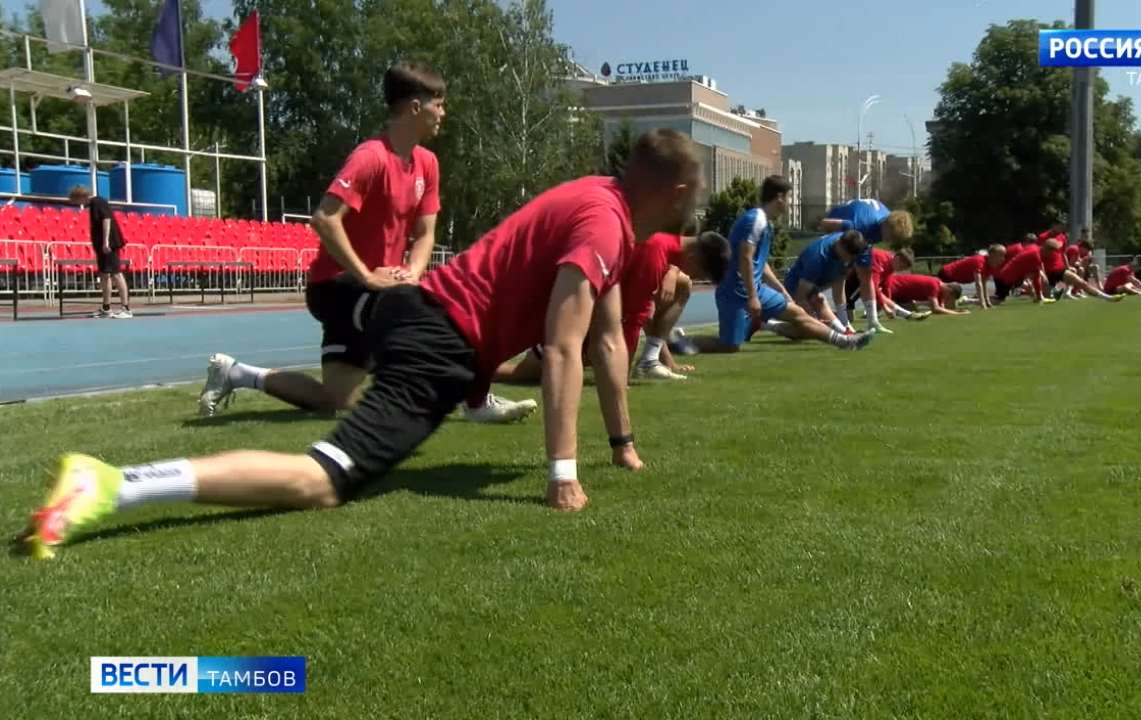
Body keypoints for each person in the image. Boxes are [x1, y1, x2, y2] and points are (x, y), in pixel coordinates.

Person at [18, 128, 705, 559]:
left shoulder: (600, 203)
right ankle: (112, 483)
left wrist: (622, 444)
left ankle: (224, 399)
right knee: (320, 481)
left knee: (340, 398)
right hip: (437, 340)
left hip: (422, 317)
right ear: (673, 191)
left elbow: (605, 340)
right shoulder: (605, 226)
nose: (694, 208)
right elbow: (564, 349)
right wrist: (563, 475)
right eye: (694, 195)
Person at [195, 63, 534, 424]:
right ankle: (475, 400)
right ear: (415, 108)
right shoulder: (371, 157)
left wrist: (412, 272)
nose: (444, 113)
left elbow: (425, 234)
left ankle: (235, 373)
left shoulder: (428, 164)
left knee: (336, 399)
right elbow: (324, 219)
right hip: (337, 287)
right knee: (428, 315)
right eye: (439, 104)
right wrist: (368, 277)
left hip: (377, 288)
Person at [492, 231, 730, 384]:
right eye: (702, 272)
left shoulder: (662, 247)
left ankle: (647, 361)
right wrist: (621, 377)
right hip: (572, 312)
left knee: (680, 285)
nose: (696, 275)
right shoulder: (655, 255)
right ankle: (471, 372)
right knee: (524, 374)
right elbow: (635, 320)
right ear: (696, 257)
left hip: (588, 314)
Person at [691, 176, 872, 353]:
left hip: (756, 289)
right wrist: (753, 297)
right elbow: (745, 257)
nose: (789, 202)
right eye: (788, 197)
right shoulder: (756, 219)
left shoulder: (766, 224)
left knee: (798, 314)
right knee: (729, 346)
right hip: (736, 292)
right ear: (779, 198)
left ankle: (846, 341)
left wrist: (781, 291)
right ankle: (678, 342)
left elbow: (759, 263)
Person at [819, 198, 918, 332]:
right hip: (843, 234)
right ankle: (844, 323)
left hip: (864, 236)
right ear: (887, 226)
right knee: (840, 276)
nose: (891, 241)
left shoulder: (887, 221)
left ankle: (873, 322)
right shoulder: (860, 224)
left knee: (866, 276)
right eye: (892, 236)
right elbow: (824, 224)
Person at [779, 229, 863, 332]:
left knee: (818, 307)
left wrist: (845, 322)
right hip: (795, 285)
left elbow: (839, 289)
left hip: (817, 282)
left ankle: (845, 330)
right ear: (841, 246)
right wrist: (810, 316)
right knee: (815, 311)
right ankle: (771, 325)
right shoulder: (817, 257)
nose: (848, 260)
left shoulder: (848, 245)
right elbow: (801, 293)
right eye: (847, 256)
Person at [69, 186, 131, 319]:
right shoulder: (92, 206)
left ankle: (126, 308)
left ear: (81, 197)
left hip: (109, 244)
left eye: (76, 200)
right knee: (104, 274)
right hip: (101, 246)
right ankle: (106, 307)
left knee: (116, 274)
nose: (77, 204)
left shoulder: (98, 202)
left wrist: (106, 241)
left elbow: (106, 219)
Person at [843, 246, 927, 334]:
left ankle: (907, 314)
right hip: (853, 280)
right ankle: (906, 315)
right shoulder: (881, 259)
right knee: (846, 318)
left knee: (848, 318)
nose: (901, 270)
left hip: (859, 280)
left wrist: (888, 306)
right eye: (902, 267)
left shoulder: (890, 264)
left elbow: (886, 287)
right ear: (897, 258)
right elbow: (873, 286)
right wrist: (885, 308)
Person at [937, 244, 1005, 309]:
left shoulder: (990, 266)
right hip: (946, 274)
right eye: (1001, 255)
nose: (1003, 259)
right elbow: (978, 284)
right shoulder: (980, 261)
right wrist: (982, 304)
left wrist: (988, 303)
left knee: (950, 305)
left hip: (954, 279)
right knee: (947, 305)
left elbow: (984, 284)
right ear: (992, 255)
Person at [887, 273, 969, 316]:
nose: (948, 299)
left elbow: (943, 308)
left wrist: (957, 311)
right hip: (893, 286)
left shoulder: (940, 290)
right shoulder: (934, 285)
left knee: (914, 315)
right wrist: (958, 314)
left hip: (903, 296)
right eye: (950, 297)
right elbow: (936, 309)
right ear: (949, 290)